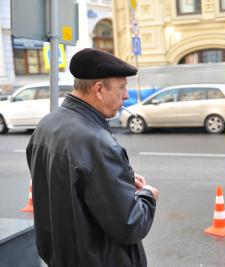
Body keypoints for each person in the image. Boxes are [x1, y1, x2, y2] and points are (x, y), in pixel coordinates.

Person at [26, 48, 159, 267]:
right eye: (122, 88)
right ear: (98, 89)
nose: (125, 95)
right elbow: (131, 225)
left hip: (59, 257)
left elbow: (67, 187)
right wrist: (147, 196)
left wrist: (120, 181)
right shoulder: (98, 144)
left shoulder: (46, 125)